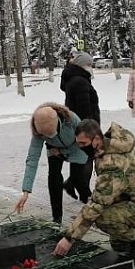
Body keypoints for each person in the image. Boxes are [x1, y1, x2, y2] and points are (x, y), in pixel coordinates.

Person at [52, 119, 135, 263]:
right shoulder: (112, 143)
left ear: (97, 139)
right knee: (118, 242)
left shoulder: (112, 164)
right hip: (133, 197)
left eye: (83, 144)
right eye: (78, 143)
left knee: (103, 218)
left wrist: (69, 238)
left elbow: (98, 202)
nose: (80, 147)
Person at [14, 103, 90, 224]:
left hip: (76, 147)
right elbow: (32, 159)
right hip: (53, 150)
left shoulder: (71, 119)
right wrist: (26, 191)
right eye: (46, 136)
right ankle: (57, 218)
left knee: (78, 179)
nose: (49, 136)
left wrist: (63, 151)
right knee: (54, 177)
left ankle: (93, 207)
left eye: (51, 134)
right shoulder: (38, 132)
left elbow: (85, 141)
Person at [60, 51, 100, 202]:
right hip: (84, 126)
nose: (91, 67)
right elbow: (84, 107)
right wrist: (89, 128)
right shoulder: (81, 82)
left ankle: (72, 184)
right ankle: (84, 191)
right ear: (82, 65)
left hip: (77, 124)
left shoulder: (74, 79)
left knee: (81, 156)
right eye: (89, 64)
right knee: (87, 157)